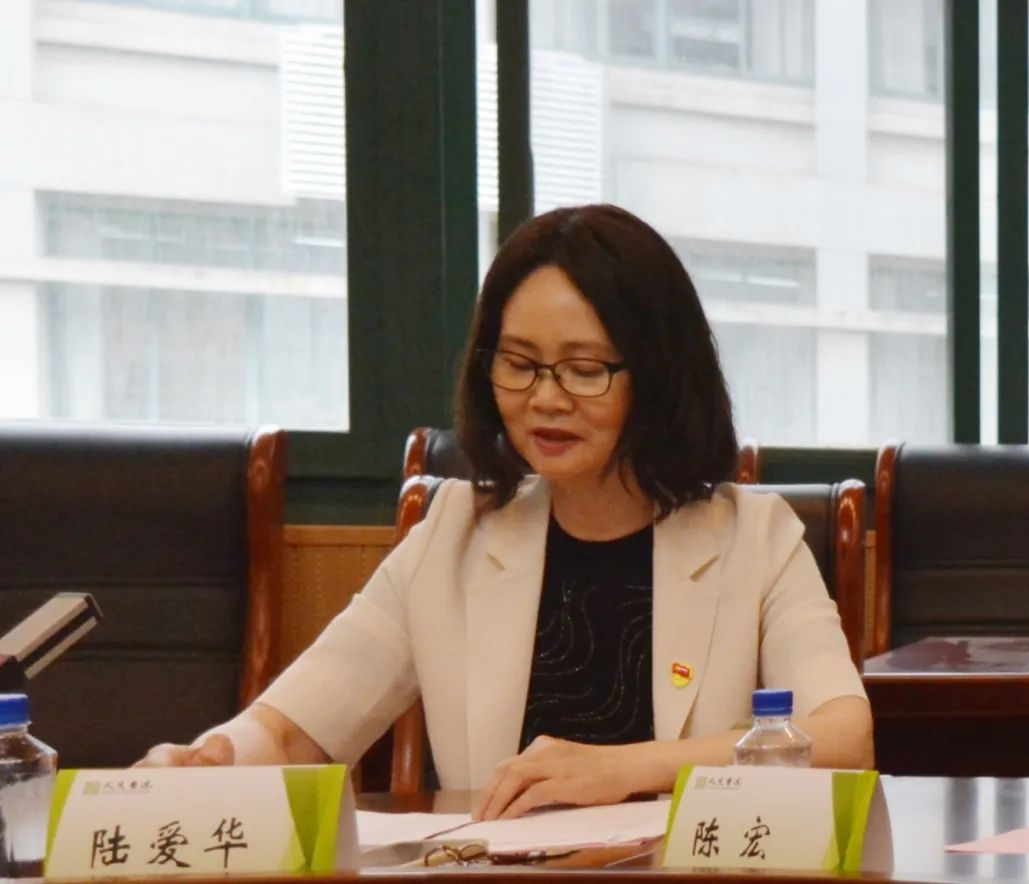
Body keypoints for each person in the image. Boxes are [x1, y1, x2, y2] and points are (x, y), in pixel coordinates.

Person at [138, 204, 873, 819]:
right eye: (518, 364)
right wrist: (210, 758)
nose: (545, 399)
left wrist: (628, 768)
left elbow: (845, 740)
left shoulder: (756, 538)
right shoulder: (453, 533)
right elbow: (295, 730)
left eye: (584, 370)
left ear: (658, 377)